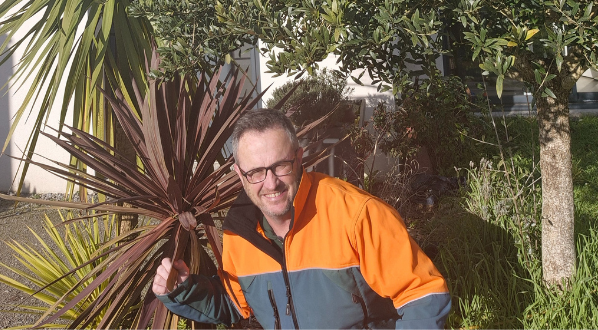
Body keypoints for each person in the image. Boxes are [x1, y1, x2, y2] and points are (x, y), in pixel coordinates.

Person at [153, 108, 451, 329]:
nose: (270, 183)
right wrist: (182, 290)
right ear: (240, 175)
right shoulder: (239, 232)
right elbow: (236, 303)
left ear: (299, 158)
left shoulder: (356, 214)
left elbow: (423, 294)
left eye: (280, 165)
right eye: (255, 172)